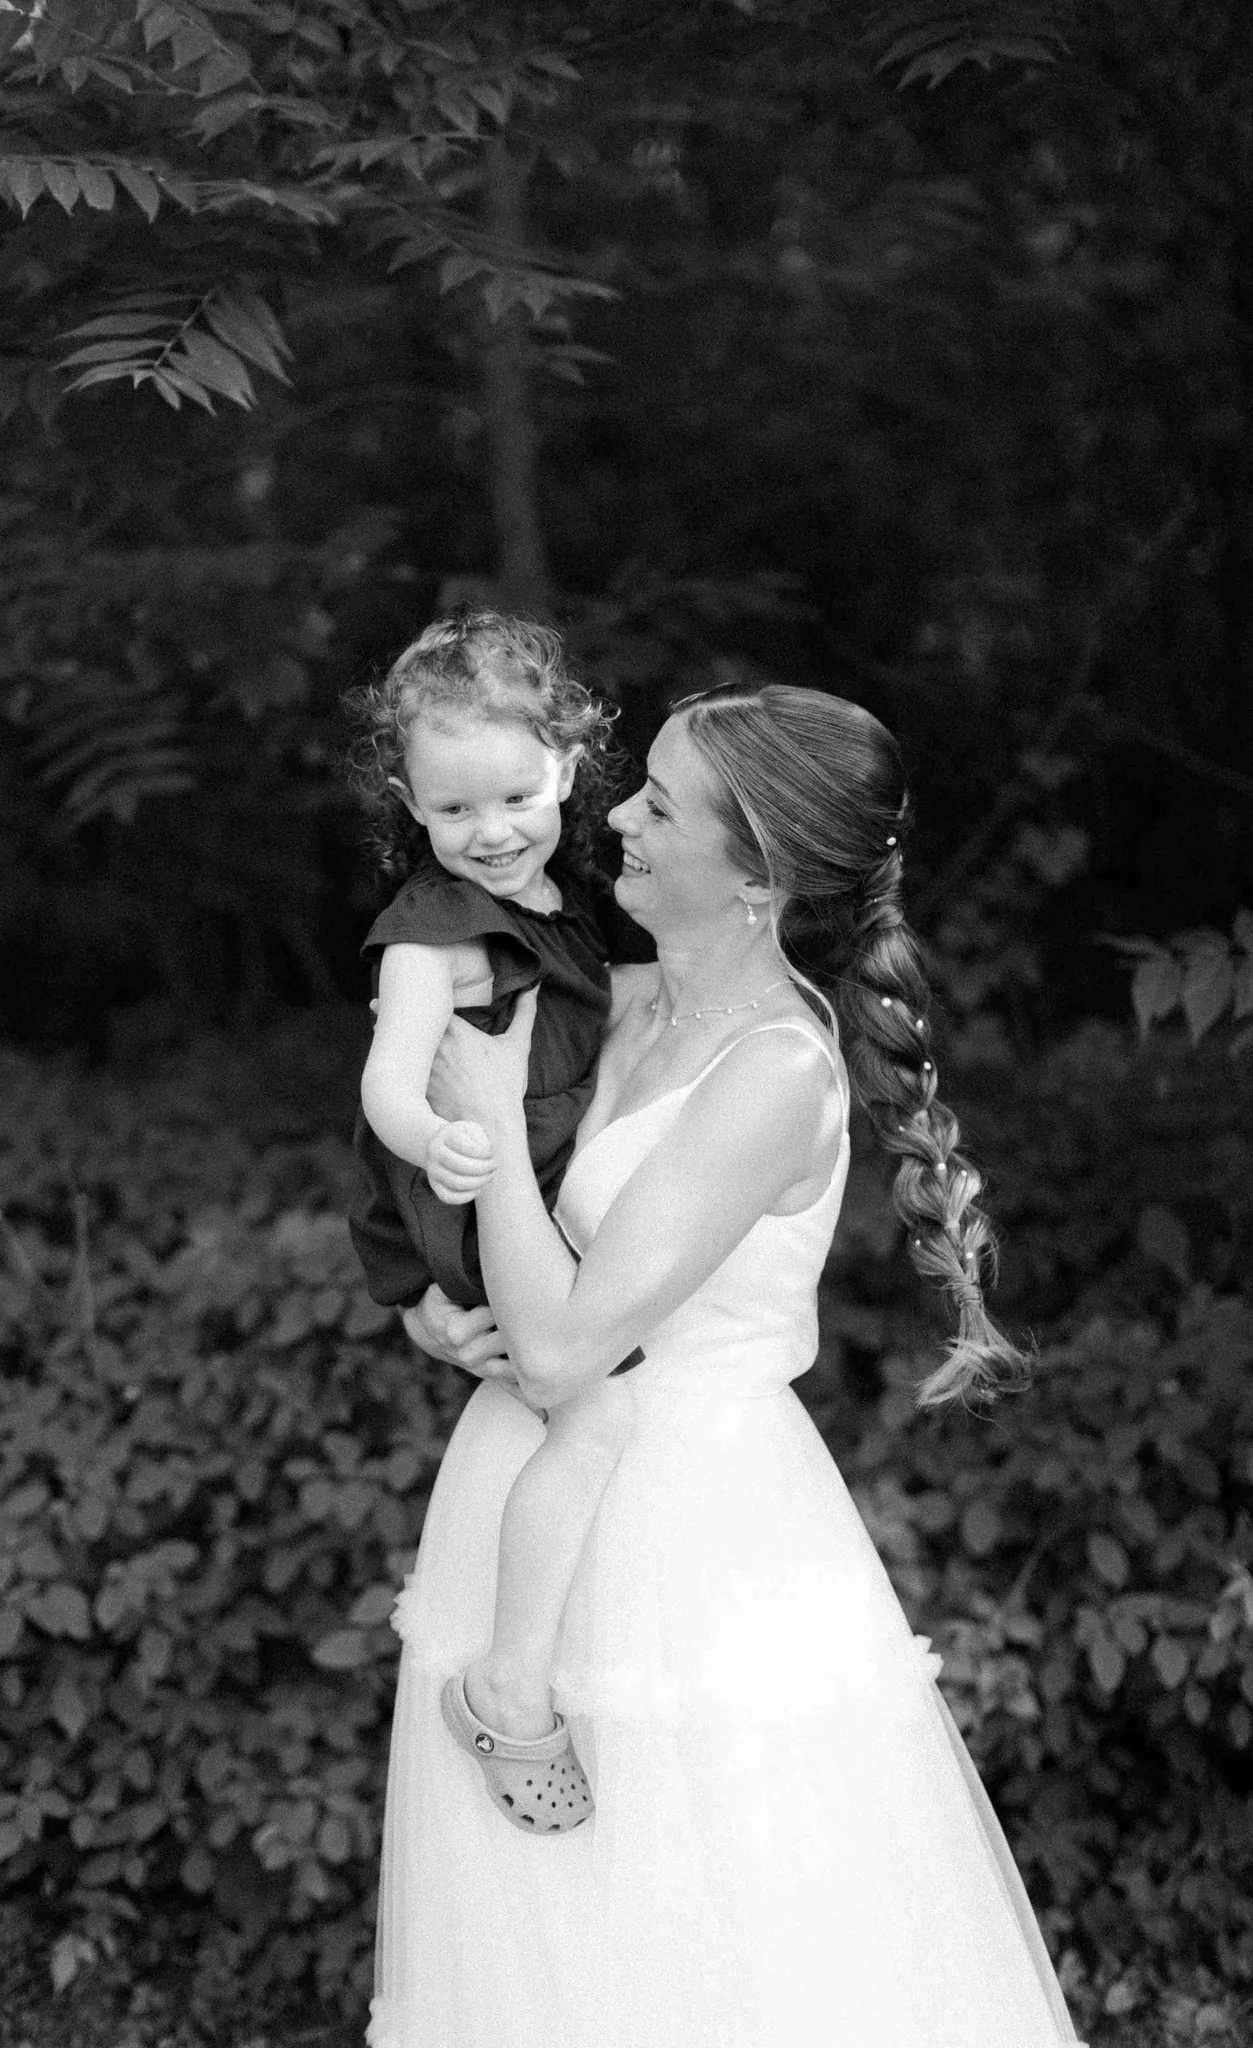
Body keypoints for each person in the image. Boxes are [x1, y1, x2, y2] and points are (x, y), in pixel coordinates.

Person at [367, 680, 1085, 2048]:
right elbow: (483, 1238)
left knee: (701, 1938)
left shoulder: (774, 1073)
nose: (616, 816)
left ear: (754, 874)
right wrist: (435, 1311)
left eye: (658, 804)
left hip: (687, 1538)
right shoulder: (616, 1000)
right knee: (540, 1948)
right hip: (524, 1491)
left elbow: (578, 1341)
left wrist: (496, 1138)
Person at [348, 611, 639, 1828]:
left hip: (532, 1171)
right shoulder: (431, 931)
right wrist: (445, 1139)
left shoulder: (564, 890)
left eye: (516, 795)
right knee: (598, 1411)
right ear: (410, 803)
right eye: (454, 810)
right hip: (468, 1193)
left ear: (569, 768)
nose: (491, 831)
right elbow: (386, 1080)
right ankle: (509, 1682)